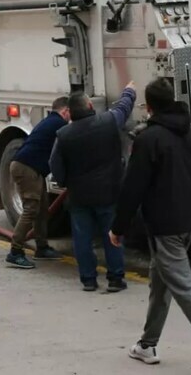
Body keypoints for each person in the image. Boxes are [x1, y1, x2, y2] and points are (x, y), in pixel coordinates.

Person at [108, 78, 191, 375]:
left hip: (164, 227)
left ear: (149, 107)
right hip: (188, 224)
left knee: (183, 286)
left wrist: (118, 227)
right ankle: (147, 344)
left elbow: (133, 188)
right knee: (160, 281)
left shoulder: (148, 140)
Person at [49, 82, 136, 292]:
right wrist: (129, 92)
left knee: (82, 239)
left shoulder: (63, 135)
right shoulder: (107, 122)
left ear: (71, 112)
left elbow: (55, 166)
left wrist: (65, 182)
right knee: (112, 236)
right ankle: (115, 279)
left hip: (79, 196)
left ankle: (88, 280)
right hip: (108, 193)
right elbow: (123, 109)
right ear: (89, 105)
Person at [5, 96, 70, 269]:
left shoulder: (50, 120)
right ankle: (15, 251)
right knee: (31, 209)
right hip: (27, 168)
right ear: (65, 111)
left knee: (42, 208)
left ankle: (42, 247)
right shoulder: (59, 125)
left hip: (29, 167)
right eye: (70, 113)